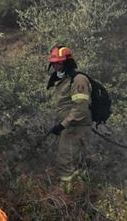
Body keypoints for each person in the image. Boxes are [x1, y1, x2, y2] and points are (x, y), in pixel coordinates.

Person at [45, 46, 91, 189]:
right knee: (71, 160)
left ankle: (66, 193)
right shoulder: (64, 80)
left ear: (67, 62)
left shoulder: (78, 80)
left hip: (75, 127)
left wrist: (63, 124)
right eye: (53, 63)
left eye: (58, 63)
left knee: (65, 160)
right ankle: (80, 188)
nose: (55, 66)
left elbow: (80, 109)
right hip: (68, 127)